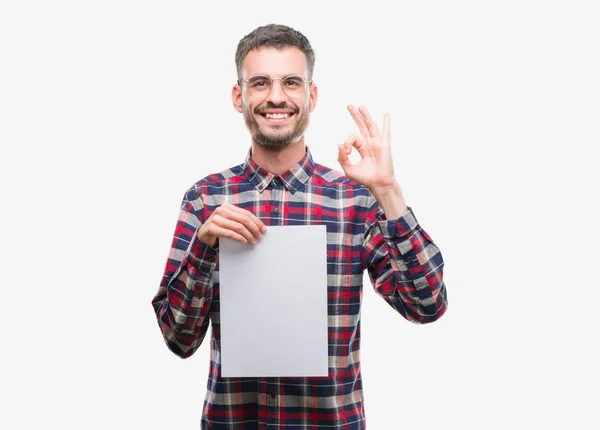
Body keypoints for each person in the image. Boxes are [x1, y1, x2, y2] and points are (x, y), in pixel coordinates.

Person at [151, 23, 448, 429]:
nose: (276, 96)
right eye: (260, 83)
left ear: (311, 96)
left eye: (291, 82)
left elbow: (427, 306)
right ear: (239, 97)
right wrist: (204, 246)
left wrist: (388, 190)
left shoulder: (356, 200)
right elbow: (177, 339)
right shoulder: (205, 199)